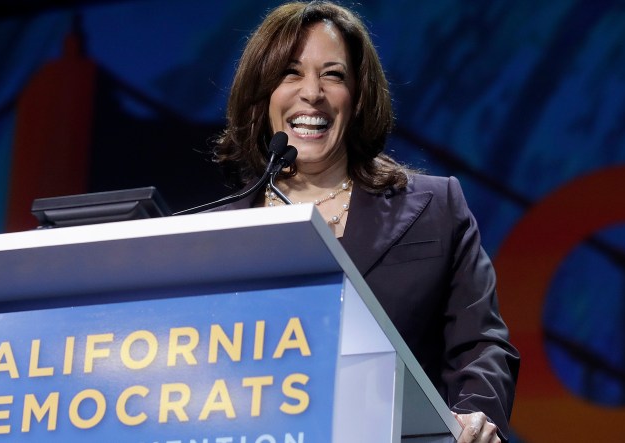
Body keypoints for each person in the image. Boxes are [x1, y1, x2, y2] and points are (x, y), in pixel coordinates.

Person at [210, 1, 520, 442]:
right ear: (262, 98)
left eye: (333, 74)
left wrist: (473, 417)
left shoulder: (435, 207)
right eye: (290, 73)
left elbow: (481, 345)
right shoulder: (211, 236)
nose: (312, 93)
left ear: (357, 98)